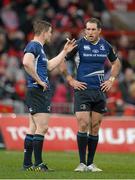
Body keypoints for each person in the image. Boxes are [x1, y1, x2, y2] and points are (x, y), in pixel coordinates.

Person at [60, 17, 121, 172]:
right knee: (83, 124)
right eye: (88, 29)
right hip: (82, 90)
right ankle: (81, 163)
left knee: (95, 127)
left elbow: (116, 63)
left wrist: (111, 80)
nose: (90, 32)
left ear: (99, 30)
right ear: (85, 30)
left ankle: (90, 164)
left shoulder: (105, 46)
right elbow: (61, 61)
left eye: (93, 29)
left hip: (99, 91)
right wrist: (70, 80)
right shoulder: (78, 45)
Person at [22, 19, 76, 172]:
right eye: (50, 32)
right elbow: (26, 62)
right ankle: (38, 164)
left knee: (33, 127)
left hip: (34, 90)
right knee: (43, 127)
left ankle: (27, 164)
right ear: (44, 32)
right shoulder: (34, 45)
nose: (51, 35)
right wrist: (38, 80)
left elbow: (50, 66)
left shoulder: (38, 48)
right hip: (38, 90)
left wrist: (64, 52)